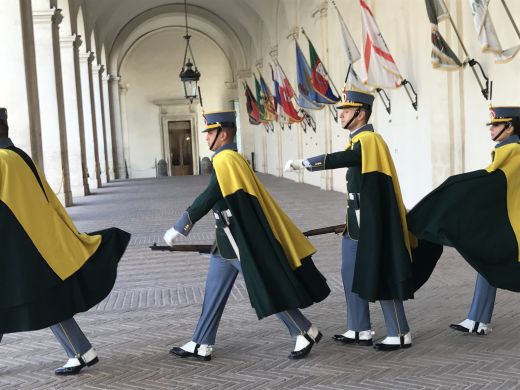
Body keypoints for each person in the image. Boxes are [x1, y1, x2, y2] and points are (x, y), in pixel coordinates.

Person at [163, 110, 330, 361]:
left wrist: (181, 225)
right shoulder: (231, 158)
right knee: (214, 291)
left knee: (265, 285)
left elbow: (210, 195)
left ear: (224, 133)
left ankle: (303, 330)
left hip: (237, 239)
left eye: (211, 132)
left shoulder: (225, 159)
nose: (207, 138)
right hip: (225, 239)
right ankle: (201, 342)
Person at [0, 107, 130, 375]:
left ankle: (82, 351)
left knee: (41, 299)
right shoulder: (18, 156)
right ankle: (81, 351)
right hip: (37, 242)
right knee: (42, 298)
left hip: (19, 247)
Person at [285, 89, 416, 351]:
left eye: (346, 110)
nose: (341, 114)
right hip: (356, 223)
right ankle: (359, 328)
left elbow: (347, 159)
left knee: (382, 272)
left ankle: (400, 332)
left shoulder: (369, 140)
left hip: (373, 224)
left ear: (361, 113)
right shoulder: (357, 140)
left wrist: (305, 163)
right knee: (350, 273)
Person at [408, 105, 520, 336]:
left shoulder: (513, 152)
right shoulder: (507, 150)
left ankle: (477, 319)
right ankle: (477, 319)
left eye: (497, 125)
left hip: (514, 224)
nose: (492, 129)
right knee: (488, 261)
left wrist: (455, 187)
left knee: (495, 262)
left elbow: (492, 181)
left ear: (510, 127)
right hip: (508, 221)